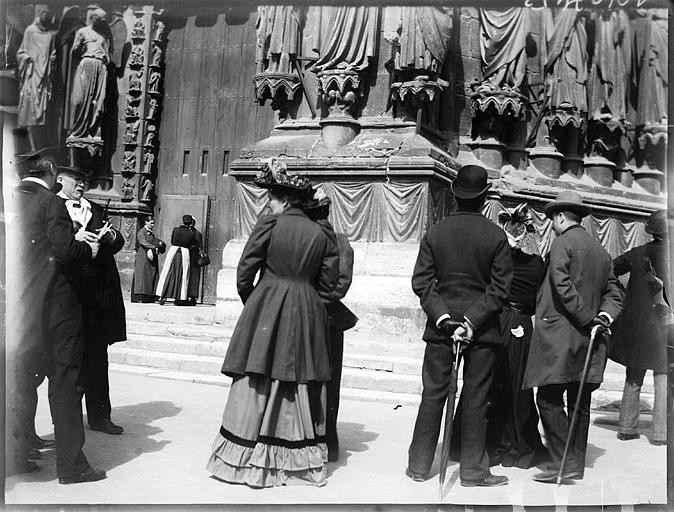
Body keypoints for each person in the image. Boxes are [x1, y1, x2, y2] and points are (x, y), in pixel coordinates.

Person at [206, 167, 339, 488]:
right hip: (306, 306)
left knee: (258, 373)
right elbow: (329, 284)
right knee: (297, 377)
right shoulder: (322, 233)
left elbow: (245, 271)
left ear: (282, 201)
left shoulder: (270, 224)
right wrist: (308, 302)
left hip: (268, 301)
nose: (269, 206)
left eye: (271, 200)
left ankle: (246, 453)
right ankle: (295, 458)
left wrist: (256, 301)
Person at [407, 164, 513, 487]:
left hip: (440, 330)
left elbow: (422, 281)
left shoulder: (435, 232)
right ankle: (472, 472)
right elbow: (500, 288)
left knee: (433, 394)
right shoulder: (496, 237)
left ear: (455, 195)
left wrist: (444, 318)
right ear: (484, 198)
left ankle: (418, 466)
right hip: (481, 332)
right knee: (476, 399)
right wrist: (470, 321)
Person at [7, 149, 106, 483]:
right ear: (51, 173)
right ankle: (71, 466)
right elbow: (66, 252)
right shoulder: (50, 202)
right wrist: (86, 247)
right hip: (55, 309)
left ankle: (16, 457)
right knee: (65, 383)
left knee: (19, 381)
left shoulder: (11, 200)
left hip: (18, 307)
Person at [523, 190, 623, 483]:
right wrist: (604, 316)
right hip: (591, 341)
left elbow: (562, 285)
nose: (552, 224)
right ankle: (575, 464)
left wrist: (587, 318)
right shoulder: (600, 250)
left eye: (552, 218)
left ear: (560, 216)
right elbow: (615, 292)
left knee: (548, 398)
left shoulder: (562, 243)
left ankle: (562, 460)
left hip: (562, 337)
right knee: (580, 404)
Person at [56, 165, 126, 435]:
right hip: (69, 294)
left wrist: (111, 236)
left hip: (97, 296)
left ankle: (100, 416)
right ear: (61, 180)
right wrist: (74, 237)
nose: (81, 184)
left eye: (84, 179)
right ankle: (64, 423)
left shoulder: (94, 208)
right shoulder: (53, 205)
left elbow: (117, 241)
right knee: (68, 360)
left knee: (98, 357)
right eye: (76, 179)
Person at [304, 192, 358, 463]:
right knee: (327, 381)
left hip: (316, 318)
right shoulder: (337, 241)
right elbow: (341, 283)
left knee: (317, 380)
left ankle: (319, 439)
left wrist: (311, 299)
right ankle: (323, 440)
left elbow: (340, 284)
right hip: (325, 318)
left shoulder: (329, 241)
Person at [609, 210, 669, 446]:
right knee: (663, 378)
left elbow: (611, 269)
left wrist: (622, 294)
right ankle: (661, 433)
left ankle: (626, 428)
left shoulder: (637, 253)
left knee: (634, 376)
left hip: (638, 325)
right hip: (666, 325)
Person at [66, 8, 110, 155]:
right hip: (86, 65)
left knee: (98, 102)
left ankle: (93, 131)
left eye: (104, 21)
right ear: (93, 18)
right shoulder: (82, 32)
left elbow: (108, 57)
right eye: (100, 20)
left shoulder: (103, 36)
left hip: (100, 68)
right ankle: (77, 131)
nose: (102, 23)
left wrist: (104, 57)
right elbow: (74, 51)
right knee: (79, 100)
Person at [16, 4, 56, 132]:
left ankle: (38, 132)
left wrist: (52, 59)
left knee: (42, 105)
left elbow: (52, 52)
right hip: (32, 72)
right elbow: (21, 52)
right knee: (29, 102)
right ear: (39, 14)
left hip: (44, 74)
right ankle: (27, 132)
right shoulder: (30, 31)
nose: (46, 15)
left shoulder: (50, 35)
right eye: (43, 12)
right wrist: (27, 58)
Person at [156, 215, 202, 306]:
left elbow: (173, 240)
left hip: (173, 251)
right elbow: (192, 244)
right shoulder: (192, 233)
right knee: (183, 274)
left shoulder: (175, 229)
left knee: (168, 272)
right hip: (184, 252)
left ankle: (162, 295)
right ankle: (181, 297)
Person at [131, 215, 166, 303]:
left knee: (151, 274)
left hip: (150, 255)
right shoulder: (141, 232)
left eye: (153, 223)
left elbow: (152, 240)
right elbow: (143, 242)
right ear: (146, 222)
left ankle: (150, 295)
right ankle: (140, 295)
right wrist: (154, 247)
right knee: (142, 275)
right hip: (143, 255)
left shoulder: (151, 233)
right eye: (151, 223)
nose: (153, 225)